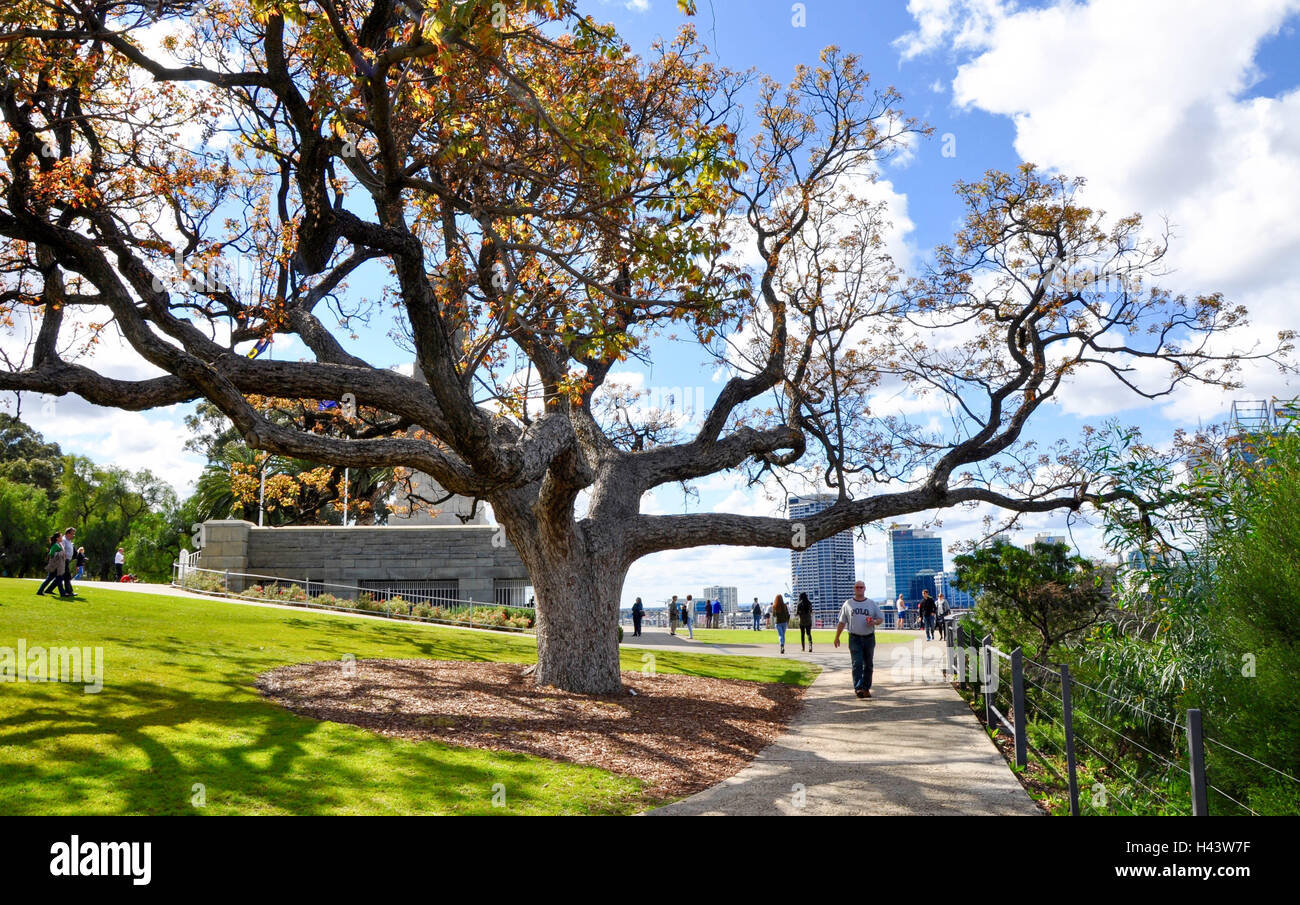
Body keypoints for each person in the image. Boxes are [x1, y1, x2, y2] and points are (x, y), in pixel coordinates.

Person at [835, 581, 885, 698]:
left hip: (869, 637)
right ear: (854, 589)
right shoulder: (848, 604)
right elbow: (842, 622)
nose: (859, 589)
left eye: (861, 587)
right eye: (857, 587)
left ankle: (866, 687)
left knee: (868, 664)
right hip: (854, 637)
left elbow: (880, 618)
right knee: (857, 663)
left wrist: (874, 622)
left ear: (864, 589)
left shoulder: (871, 603)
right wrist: (837, 637)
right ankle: (858, 688)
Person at [59, 527, 77, 597]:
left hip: (67, 560)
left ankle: (49, 589)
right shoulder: (63, 540)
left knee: (60, 577)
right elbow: (61, 550)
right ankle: (69, 591)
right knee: (67, 576)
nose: (73, 535)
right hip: (64, 560)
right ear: (68, 533)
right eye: (72, 534)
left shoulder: (69, 540)